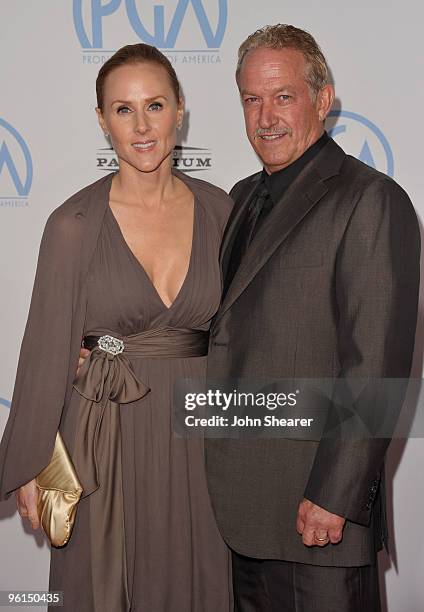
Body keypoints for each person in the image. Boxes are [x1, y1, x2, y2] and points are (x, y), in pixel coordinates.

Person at [0, 44, 233, 611]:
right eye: (123, 110)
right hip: (104, 436)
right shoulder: (72, 225)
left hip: (202, 435)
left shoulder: (224, 212)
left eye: (154, 105)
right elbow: (44, 350)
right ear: (102, 120)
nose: (142, 125)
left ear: (181, 108)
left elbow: (243, 334)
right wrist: (30, 464)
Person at [203, 25, 420, 611]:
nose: (265, 116)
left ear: (323, 100)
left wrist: (335, 495)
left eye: (283, 96)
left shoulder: (371, 199)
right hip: (244, 510)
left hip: (316, 517)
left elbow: (374, 362)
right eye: (252, 98)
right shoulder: (244, 195)